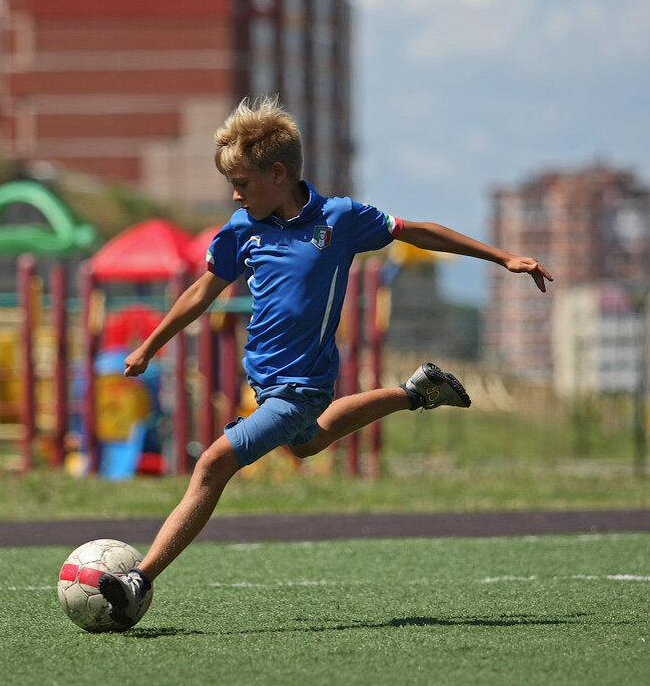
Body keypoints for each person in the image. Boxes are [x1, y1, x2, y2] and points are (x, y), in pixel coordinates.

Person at [97, 96, 554, 627]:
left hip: (301, 386)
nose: (235, 193)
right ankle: (416, 392)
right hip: (268, 384)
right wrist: (151, 345)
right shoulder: (242, 228)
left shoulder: (339, 220)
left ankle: (139, 581)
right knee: (308, 443)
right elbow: (203, 291)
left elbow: (415, 230)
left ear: (278, 173)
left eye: (242, 181)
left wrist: (502, 258)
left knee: (212, 465)